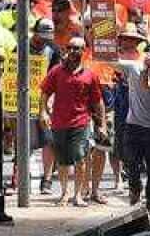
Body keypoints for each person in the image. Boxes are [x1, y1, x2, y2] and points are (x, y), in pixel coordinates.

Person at [40, 37, 106, 206]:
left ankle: (77, 195)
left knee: (80, 158)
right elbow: (45, 92)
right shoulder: (56, 71)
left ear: (83, 51)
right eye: (70, 47)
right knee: (62, 161)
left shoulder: (90, 75)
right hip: (59, 122)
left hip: (81, 122)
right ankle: (64, 193)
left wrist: (102, 125)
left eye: (77, 48)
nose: (73, 51)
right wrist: (43, 112)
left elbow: (98, 102)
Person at [113, 42, 150, 221]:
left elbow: (148, 86)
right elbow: (109, 61)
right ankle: (134, 190)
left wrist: (146, 69)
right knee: (131, 164)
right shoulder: (133, 67)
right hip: (133, 126)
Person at [30, 18, 62, 195]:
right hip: (24, 99)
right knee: (24, 139)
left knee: (48, 139)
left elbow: (56, 75)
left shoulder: (54, 50)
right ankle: (18, 177)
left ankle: (47, 179)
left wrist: (50, 101)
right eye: (41, 36)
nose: (43, 40)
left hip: (46, 99)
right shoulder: (21, 47)